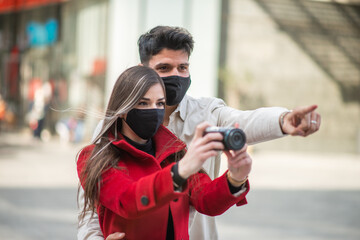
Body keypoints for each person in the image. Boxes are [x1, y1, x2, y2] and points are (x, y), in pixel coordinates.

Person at [77, 26, 321, 240]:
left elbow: (242, 124)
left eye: (183, 67)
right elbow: (105, 205)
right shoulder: (102, 146)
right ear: (143, 71)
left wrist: (282, 122)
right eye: (164, 67)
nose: (176, 75)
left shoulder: (193, 130)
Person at [77, 65, 252, 240]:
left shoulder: (174, 151)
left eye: (160, 103)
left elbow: (206, 200)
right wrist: (180, 171)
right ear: (123, 109)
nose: (154, 110)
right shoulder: (93, 157)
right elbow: (128, 200)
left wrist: (236, 177)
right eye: (143, 103)